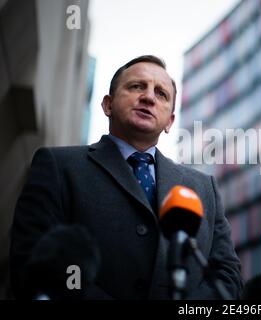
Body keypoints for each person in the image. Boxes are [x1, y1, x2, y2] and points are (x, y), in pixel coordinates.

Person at [9, 55, 243, 299]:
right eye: (136, 86)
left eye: (161, 94)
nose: (149, 97)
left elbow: (228, 277)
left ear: (170, 122)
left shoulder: (204, 189)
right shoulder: (58, 166)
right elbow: (31, 260)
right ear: (107, 105)